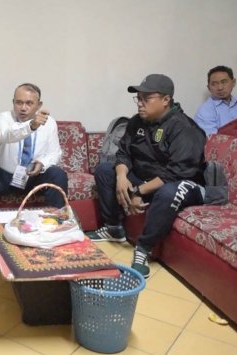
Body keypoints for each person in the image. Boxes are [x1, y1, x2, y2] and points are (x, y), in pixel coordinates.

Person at [87, 74, 206, 278]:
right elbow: (123, 152)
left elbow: (176, 173)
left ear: (166, 100)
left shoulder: (184, 128)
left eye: (146, 99)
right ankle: (113, 228)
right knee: (105, 171)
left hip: (183, 183)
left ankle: (143, 250)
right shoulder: (137, 122)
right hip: (146, 179)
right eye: (138, 99)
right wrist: (123, 177)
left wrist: (138, 191)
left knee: (169, 192)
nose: (140, 104)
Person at [0, 83, 68, 257]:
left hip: (33, 175)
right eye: (18, 102)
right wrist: (31, 126)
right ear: (13, 102)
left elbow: (55, 152)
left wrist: (42, 163)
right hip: (4, 175)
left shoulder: (50, 123)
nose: (23, 107)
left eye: (29, 103)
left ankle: (53, 229)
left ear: (39, 105)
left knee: (58, 175)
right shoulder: (3, 118)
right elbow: (5, 135)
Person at [194, 65, 237, 135]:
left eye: (224, 82)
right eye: (214, 84)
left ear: (233, 82)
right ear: (209, 88)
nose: (220, 88)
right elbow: (213, 141)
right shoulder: (204, 111)